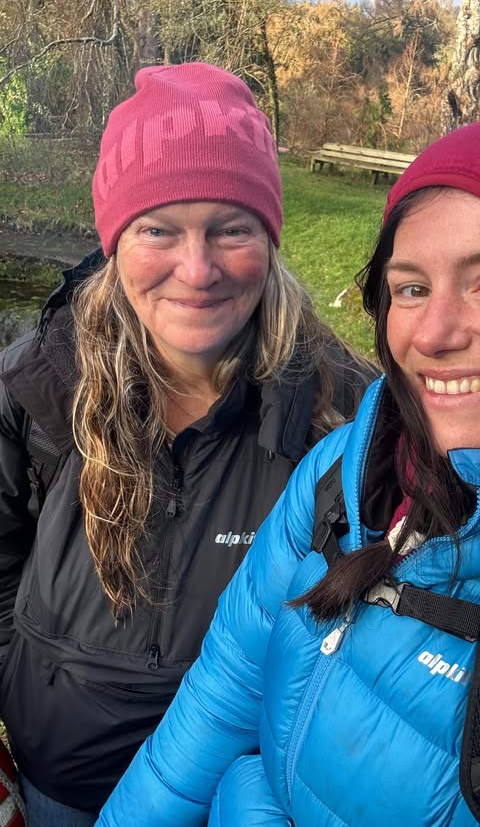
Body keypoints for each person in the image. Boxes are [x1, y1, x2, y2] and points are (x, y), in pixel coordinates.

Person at [0, 62, 374, 826]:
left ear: (268, 238)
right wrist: (20, 670)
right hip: (58, 791)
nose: (196, 271)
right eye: (158, 230)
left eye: (231, 229)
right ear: (115, 240)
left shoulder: (346, 410)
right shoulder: (38, 381)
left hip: (241, 797)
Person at [95, 119, 480, 827]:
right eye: (413, 288)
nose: (435, 334)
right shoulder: (349, 468)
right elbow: (225, 690)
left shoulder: (324, 406)